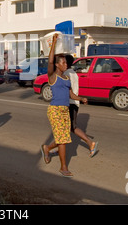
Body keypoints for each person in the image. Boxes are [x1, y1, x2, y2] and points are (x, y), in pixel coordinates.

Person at [40, 33, 87, 177]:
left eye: (67, 63)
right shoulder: (52, 76)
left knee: (64, 137)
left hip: (65, 110)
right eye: (63, 63)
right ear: (57, 64)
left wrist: (81, 98)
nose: (66, 64)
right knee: (63, 140)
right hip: (55, 110)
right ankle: (63, 167)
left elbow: (70, 94)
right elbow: (49, 62)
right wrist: (53, 43)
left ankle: (47, 148)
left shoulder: (67, 77)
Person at [64, 54, 98, 157]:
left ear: (65, 63)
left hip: (70, 103)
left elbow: (68, 92)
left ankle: (90, 143)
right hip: (74, 103)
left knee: (72, 128)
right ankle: (59, 150)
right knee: (65, 129)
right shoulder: (73, 73)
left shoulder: (66, 74)